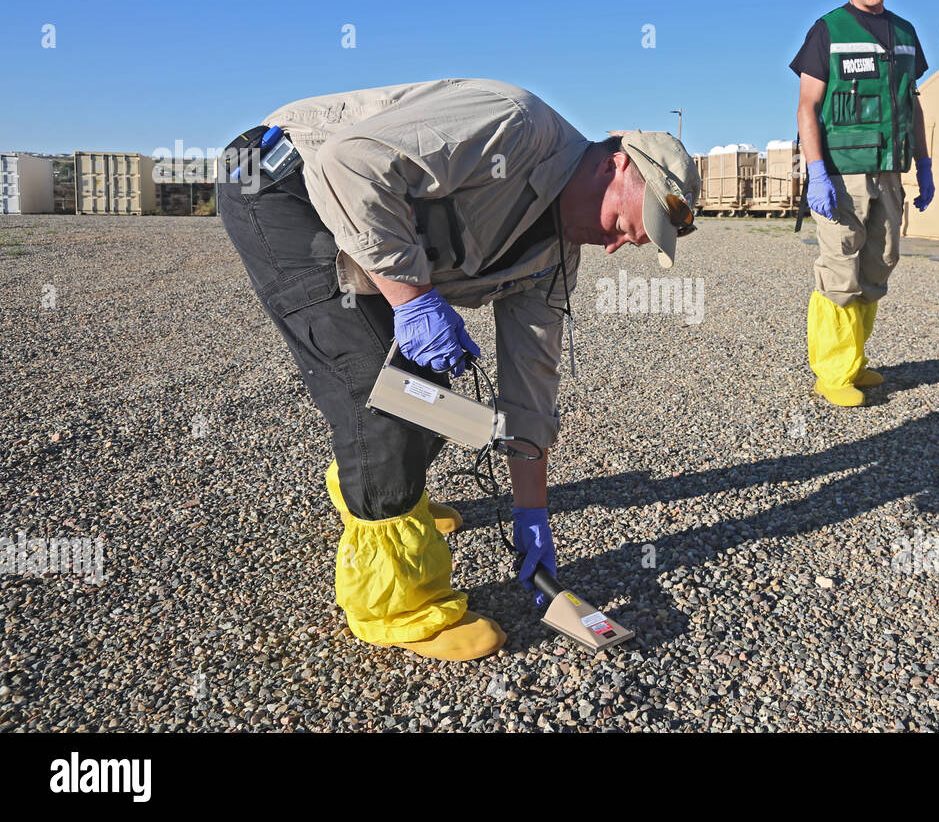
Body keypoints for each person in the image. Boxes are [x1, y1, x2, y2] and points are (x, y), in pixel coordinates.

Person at [218, 78, 699, 661]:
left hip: (359, 221)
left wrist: (533, 514)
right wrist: (414, 301)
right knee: (381, 397)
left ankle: (384, 491)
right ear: (616, 167)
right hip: (283, 184)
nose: (618, 246)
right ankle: (400, 608)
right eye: (627, 224)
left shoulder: (552, 261)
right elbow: (352, 164)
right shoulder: (513, 124)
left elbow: (530, 386)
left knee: (430, 395)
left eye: (634, 241)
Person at [789, 0, 934, 407]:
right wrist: (815, 171)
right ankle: (832, 373)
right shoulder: (828, 30)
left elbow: (912, 106)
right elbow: (807, 106)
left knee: (880, 262)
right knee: (840, 268)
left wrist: (926, 163)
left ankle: (855, 360)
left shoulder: (906, 35)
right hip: (841, 174)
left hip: (889, 171)